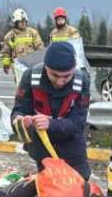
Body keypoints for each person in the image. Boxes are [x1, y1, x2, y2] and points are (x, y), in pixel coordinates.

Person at [11, 42, 91, 179]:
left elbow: (78, 123)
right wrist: (20, 121)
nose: (60, 82)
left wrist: (51, 124)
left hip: (70, 140)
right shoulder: (30, 77)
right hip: (41, 142)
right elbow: (18, 110)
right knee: (49, 182)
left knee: (80, 179)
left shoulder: (82, 81)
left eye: (66, 76)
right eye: (54, 75)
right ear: (45, 67)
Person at [1, 8, 44, 76]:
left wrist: (41, 63)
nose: (24, 23)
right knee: (21, 85)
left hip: (32, 65)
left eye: (25, 21)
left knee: (34, 84)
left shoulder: (32, 33)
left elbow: (40, 47)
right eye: (21, 21)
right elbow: (6, 52)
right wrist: (6, 64)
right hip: (18, 67)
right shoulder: (9, 36)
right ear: (15, 22)